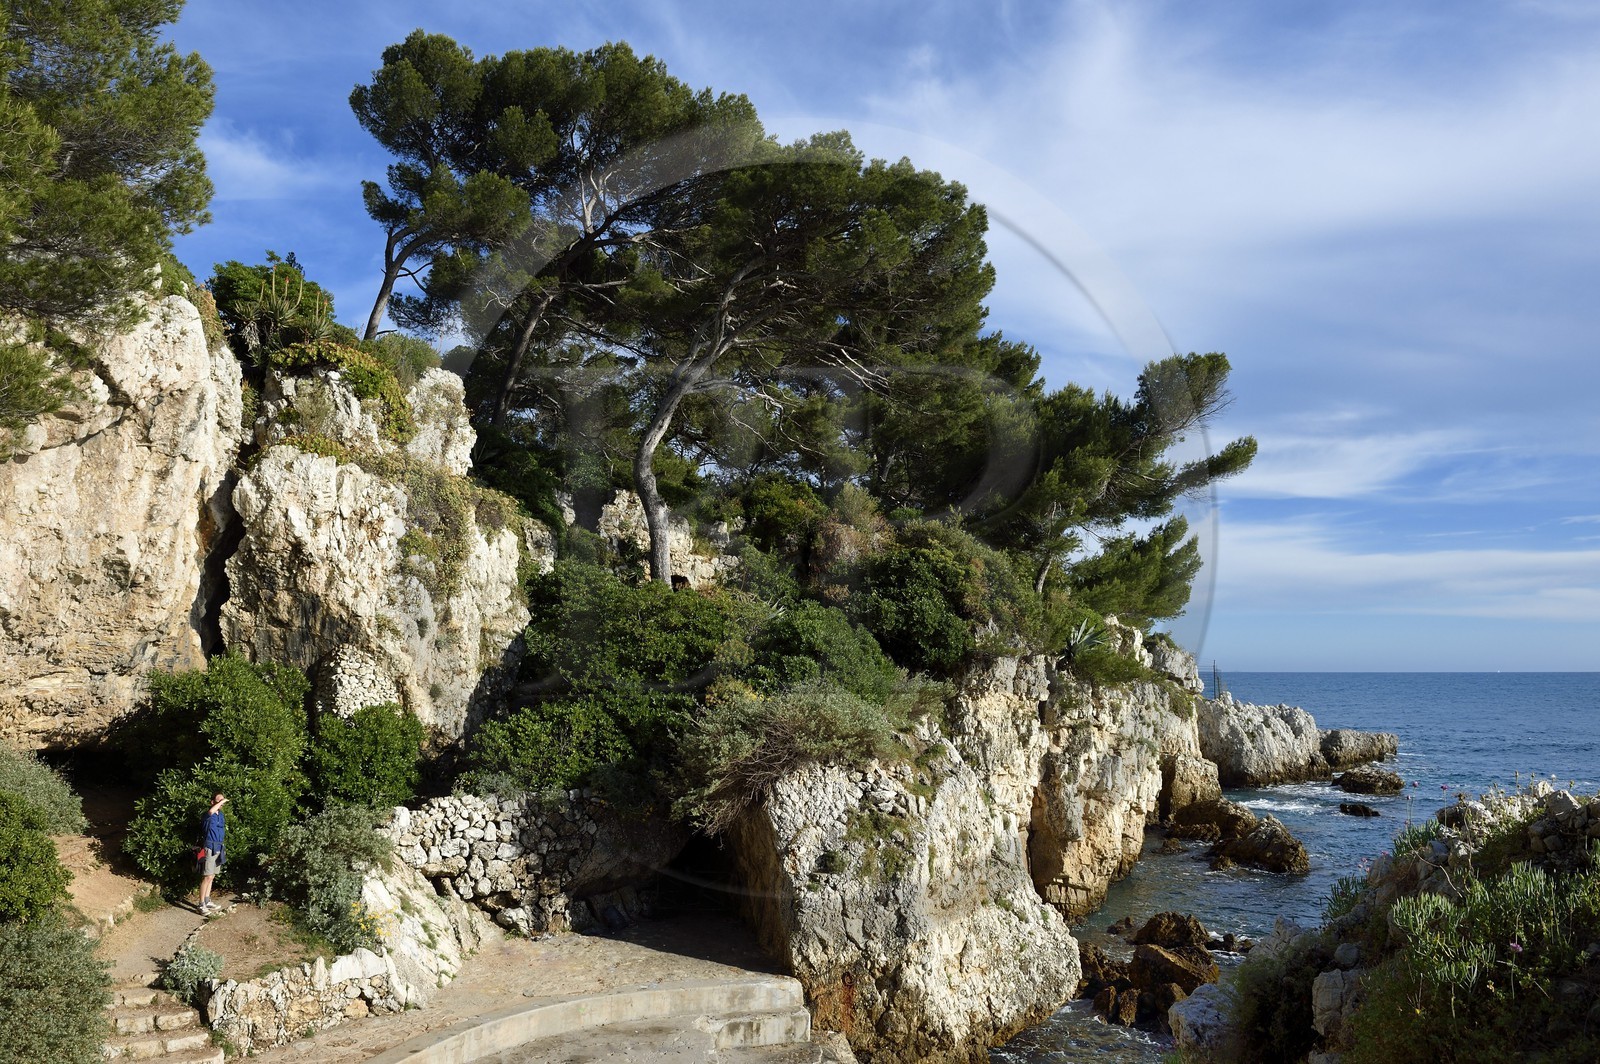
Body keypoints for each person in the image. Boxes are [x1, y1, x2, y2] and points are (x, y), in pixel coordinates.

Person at [198, 792, 227, 913]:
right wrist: (221, 801)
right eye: (218, 800)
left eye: (222, 800)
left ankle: (207, 900)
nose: (221, 803)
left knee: (212, 876)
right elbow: (211, 812)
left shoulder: (221, 815)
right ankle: (201, 905)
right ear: (212, 802)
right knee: (207, 876)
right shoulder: (208, 815)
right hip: (210, 847)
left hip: (219, 847)